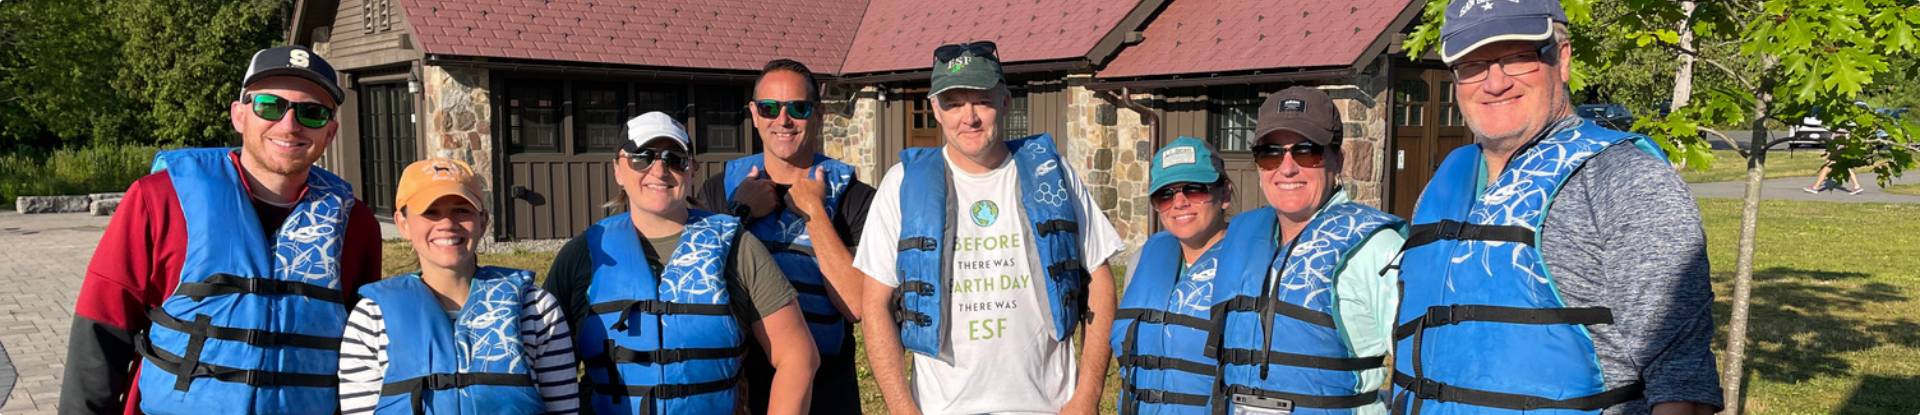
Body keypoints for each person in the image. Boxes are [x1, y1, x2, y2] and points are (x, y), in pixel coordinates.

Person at [1392, 0, 1722, 413]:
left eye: (1518, 58)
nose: (1495, 83)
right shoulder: (1445, 183)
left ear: (1562, 59)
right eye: (1473, 65)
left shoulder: (1626, 180)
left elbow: (1683, 386)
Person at [61, 45, 383, 414]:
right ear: (239, 115)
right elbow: (101, 329)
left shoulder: (355, 223)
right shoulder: (160, 199)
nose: (289, 125)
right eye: (270, 106)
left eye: (312, 112)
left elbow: (363, 354)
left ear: (330, 132)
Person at [855, 40, 1125, 415]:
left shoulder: (1052, 174)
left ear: (1005, 102)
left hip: (1047, 406)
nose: (969, 117)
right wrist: (903, 409)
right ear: (935, 109)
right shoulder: (902, 183)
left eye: (982, 100)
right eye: (953, 103)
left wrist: (1086, 396)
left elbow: (1101, 281)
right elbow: (874, 303)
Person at [542, 112, 818, 414]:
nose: (659, 170)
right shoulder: (581, 255)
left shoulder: (738, 248)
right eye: (642, 157)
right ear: (617, 170)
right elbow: (543, 368)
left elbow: (798, 355)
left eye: (675, 159)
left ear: (692, 171)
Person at [1210, 87, 1407, 415]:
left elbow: (1422, 373)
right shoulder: (1242, 241)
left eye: (1306, 151)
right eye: (1270, 153)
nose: (1287, 168)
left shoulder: (1377, 248)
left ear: (1337, 160)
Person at [336, 158, 580, 414]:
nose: (447, 224)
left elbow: (564, 409)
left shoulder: (536, 309)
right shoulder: (372, 318)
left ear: (483, 221)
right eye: (431, 212)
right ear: (403, 223)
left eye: (462, 210)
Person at [702, 58, 875, 415]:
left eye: (798, 108)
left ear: (818, 113)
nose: (783, 120)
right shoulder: (720, 192)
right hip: (738, 387)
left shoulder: (855, 198)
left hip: (828, 389)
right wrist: (741, 212)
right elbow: (698, 284)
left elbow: (857, 304)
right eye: (770, 108)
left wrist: (815, 213)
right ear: (754, 113)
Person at [1110, 136, 1236, 415]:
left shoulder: (1254, 265)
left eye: (1195, 189)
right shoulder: (1141, 261)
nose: (1179, 202)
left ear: (1224, 194)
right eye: (1165, 195)